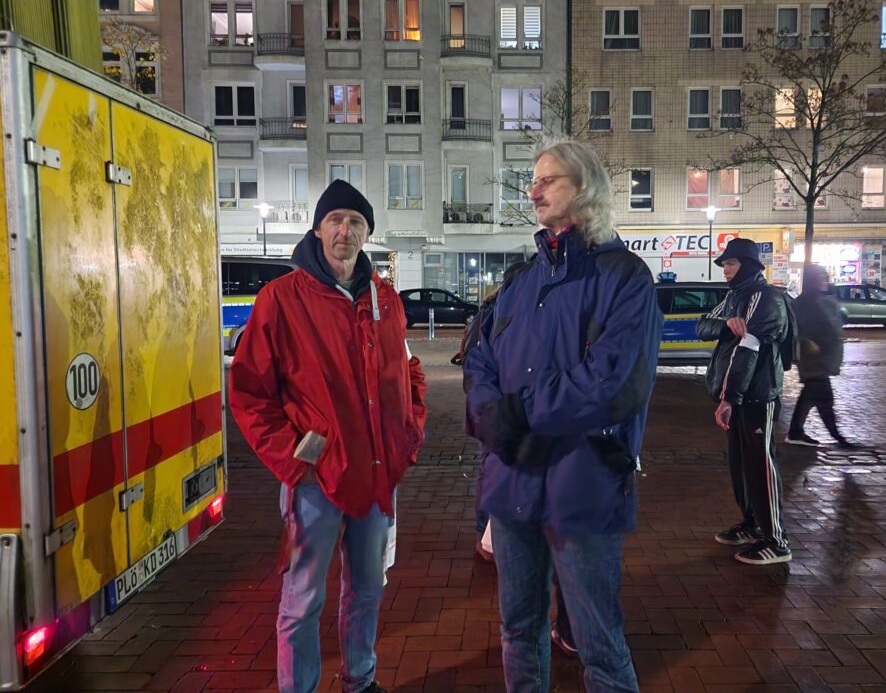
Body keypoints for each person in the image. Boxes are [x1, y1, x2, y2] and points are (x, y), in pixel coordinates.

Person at [463, 139, 663, 692]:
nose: (534, 191)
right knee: (518, 629)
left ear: (586, 187)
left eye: (548, 179)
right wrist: (488, 413)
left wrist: (517, 413)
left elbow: (614, 382)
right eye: (533, 180)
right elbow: (479, 359)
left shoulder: (625, 277)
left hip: (582, 482)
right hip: (513, 480)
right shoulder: (520, 281)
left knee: (598, 642)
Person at [229, 181, 427, 693]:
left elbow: (408, 371)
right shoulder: (281, 299)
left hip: (376, 474)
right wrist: (293, 461)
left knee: (367, 589)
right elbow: (249, 393)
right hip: (315, 480)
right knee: (303, 601)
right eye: (335, 219)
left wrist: (409, 433)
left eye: (356, 222)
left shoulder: (385, 299)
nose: (345, 230)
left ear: (367, 233)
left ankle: (360, 680)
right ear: (317, 229)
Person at [698, 238, 792, 565]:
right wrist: (726, 324)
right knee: (740, 465)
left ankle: (776, 540)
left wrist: (729, 397)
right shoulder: (733, 297)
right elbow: (702, 326)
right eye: (724, 264)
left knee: (760, 465)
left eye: (731, 264)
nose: (725, 270)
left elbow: (748, 350)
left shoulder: (765, 298)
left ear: (748, 265)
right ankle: (752, 524)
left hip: (757, 394)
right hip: (739, 396)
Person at [787, 265, 849, 448]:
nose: (823, 282)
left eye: (825, 278)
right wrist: (806, 341)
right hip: (813, 359)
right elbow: (796, 329)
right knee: (823, 398)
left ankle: (796, 432)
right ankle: (837, 437)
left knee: (811, 397)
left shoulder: (820, 300)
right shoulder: (803, 303)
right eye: (820, 278)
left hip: (822, 357)